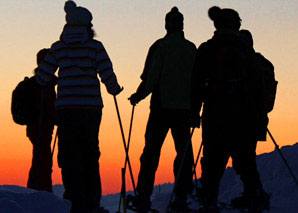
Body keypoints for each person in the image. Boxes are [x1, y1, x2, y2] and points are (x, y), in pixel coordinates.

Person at [35, 1, 122, 213]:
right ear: (87, 26)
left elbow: (42, 77)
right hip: (91, 108)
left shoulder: (58, 47)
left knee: (69, 155)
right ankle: (92, 202)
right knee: (90, 153)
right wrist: (114, 88)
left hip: (66, 108)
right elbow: (106, 73)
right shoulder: (95, 46)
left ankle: (74, 201)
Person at [191, 6, 270, 212]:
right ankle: (255, 197)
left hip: (215, 114)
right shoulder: (246, 50)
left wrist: (193, 113)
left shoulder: (207, 49)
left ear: (217, 25)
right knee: (246, 161)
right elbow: (258, 86)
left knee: (213, 161)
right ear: (236, 25)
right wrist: (261, 116)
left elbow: (196, 83)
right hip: (244, 115)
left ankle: (209, 200)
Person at [128, 7, 197, 212]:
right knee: (183, 153)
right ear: (182, 25)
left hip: (160, 107)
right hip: (184, 110)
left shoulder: (160, 46)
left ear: (166, 24)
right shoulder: (191, 48)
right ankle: (182, 197)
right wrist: (196, 109)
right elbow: (198, 81)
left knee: (151, 153)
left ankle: (143, 197)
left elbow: (151, 77)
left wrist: (138, 96)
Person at [27, 48, 56, 192]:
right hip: (41, 127)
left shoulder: (38, 82)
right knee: (43, 160)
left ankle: (37, 189)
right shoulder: (44, 84)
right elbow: (48, 106)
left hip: (38, 127)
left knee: (40, 158)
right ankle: (41, 191)